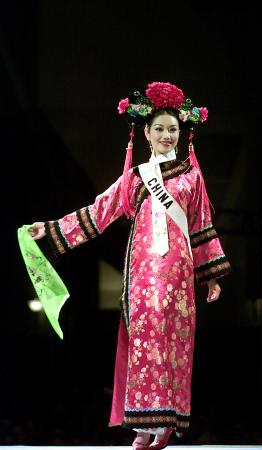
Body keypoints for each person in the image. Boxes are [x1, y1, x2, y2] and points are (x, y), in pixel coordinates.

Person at [29, 82, 231, 450]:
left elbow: (202, 226)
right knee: (143, 341)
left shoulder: (192, 177)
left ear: (181, 133)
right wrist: (52, 228)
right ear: (146, 134)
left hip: (177, 274)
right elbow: (99, 211)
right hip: (140, 273)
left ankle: (166, 422)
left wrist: (212, 275)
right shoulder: (136, 177)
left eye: (173, 129)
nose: (167, 135)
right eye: (160, 129)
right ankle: (142, 424)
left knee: (171, 343)